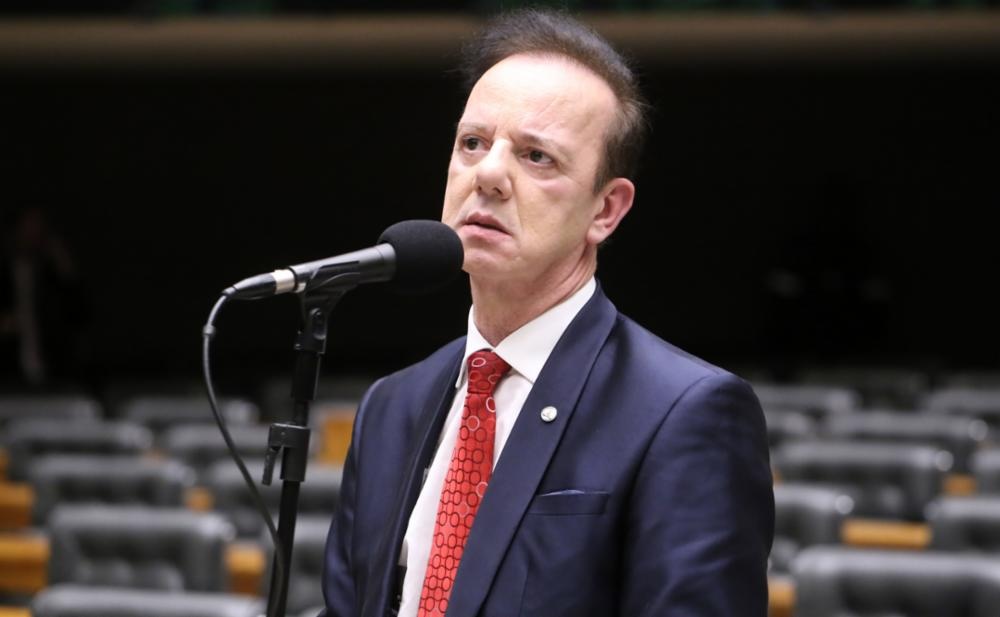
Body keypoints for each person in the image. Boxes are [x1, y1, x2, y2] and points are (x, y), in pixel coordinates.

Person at [321, 9, 773, 617]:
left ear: (606, 210)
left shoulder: (686, 413)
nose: (489, 175)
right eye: (473, 143)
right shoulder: (392, 405)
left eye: (537, 157)